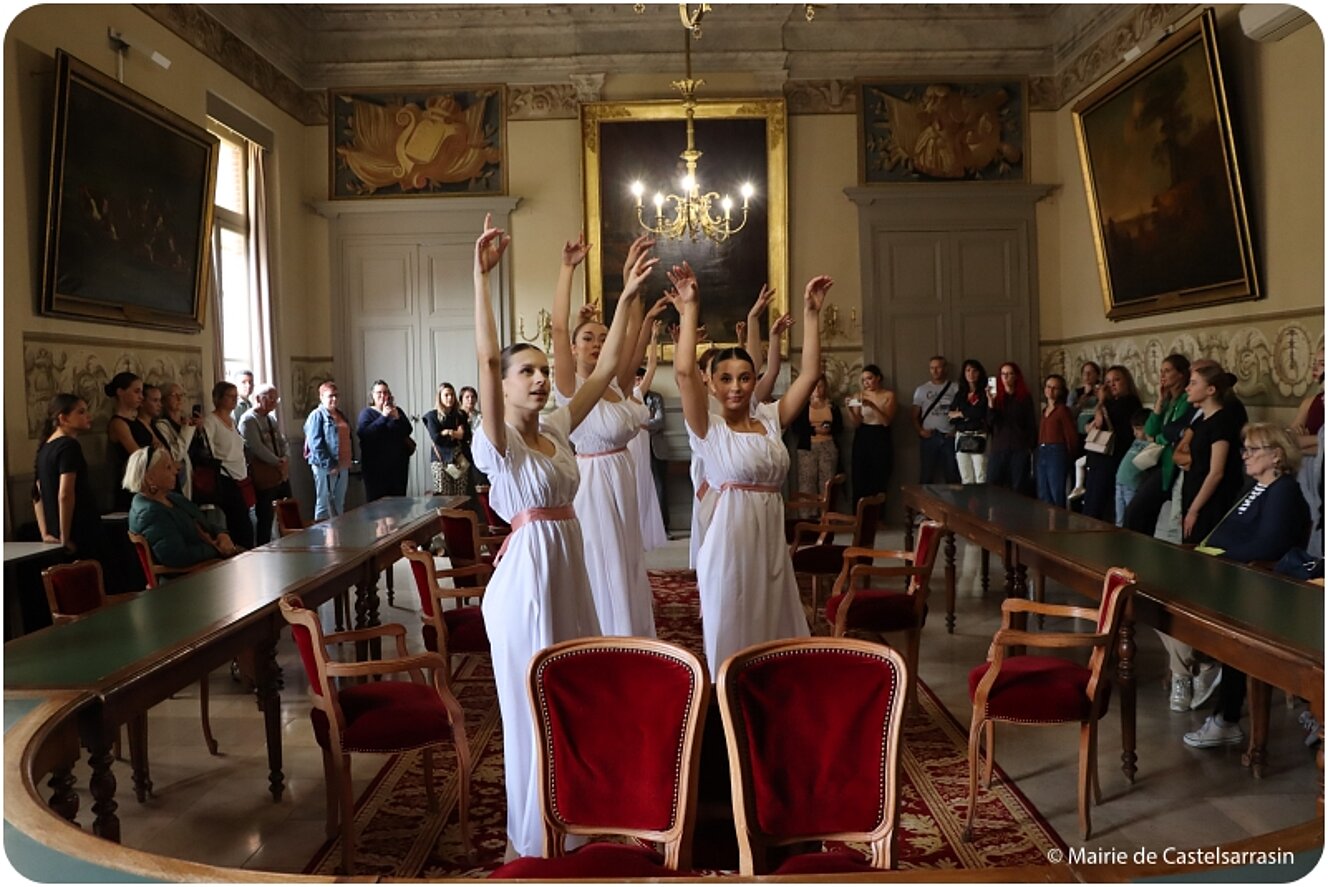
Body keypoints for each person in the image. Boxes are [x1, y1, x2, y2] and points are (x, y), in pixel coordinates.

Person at [469, 214, 643, 859]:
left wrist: (625, 299)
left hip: (569, 570)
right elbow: (487, 358)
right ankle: (539, 833)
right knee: (536, 707)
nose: (542, 379)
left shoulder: (560, 427)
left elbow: (603, 375)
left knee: (577, 695)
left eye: (545, 370)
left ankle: (578, 811)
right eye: (529, 373)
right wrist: (480, 278)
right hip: (528, 582)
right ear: (507, 384)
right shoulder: (501, 443)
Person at [674, 260, 830, 681]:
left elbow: (812, 372)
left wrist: (811, 315)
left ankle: (769, 704)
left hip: (770, 537)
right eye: (726, 379)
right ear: (712, 384)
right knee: (732, 625)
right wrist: (690, 309)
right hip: (730, 540)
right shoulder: (708, 428)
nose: (737, 387)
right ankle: (726, 710)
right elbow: (684, 371)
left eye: (745, 377)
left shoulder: (771, 419)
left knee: (773, 626)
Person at [551, 232, 657, 638]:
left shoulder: (613, 383)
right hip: (592, 484)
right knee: (603, 562)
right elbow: (559, 327)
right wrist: (567, 270)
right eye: (587, 338)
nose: (596, 343)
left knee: (627, 560)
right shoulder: (570, 386)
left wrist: (629, 280)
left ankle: (632, 634)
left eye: (600, 336)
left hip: (622, 479)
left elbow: (630, 339)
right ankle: (604, 637)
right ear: (574, 350)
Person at [1181, 424, 1310, 749]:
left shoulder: (1284, 492)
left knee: (1223, 629)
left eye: (1252, 450)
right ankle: (1205, 666)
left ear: (1276, 455)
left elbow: (1267, 546)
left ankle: (1226, 716)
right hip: (1230, 577)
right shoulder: (1253, 487)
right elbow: (1227, 531)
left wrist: (1216, 557)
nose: (1245, 456)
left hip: (1263, 589)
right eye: (1245, 449)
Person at [126, 447, 240, 568]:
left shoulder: (173, 498)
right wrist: (217, 548)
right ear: (149, 478)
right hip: (187, 578)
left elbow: (204, 523)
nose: (176, 470)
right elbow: (177, 556)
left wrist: (222, 534)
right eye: (168, 467)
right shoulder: (149, 513)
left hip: (209, 564)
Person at [1176, 361, 1245, 545]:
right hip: (1194, 492)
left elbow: (1216, 472)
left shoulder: (1221, 422)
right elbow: (1184, 452)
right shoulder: (1201, 421)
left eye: (1194, 383)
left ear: (1211, 390)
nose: (1187, 388)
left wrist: (1194, 510)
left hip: (1211, 502)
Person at [32, 394, 105, 568]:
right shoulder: (68, 446)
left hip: (56, 533)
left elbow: (37, 493)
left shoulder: (46, 448)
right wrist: (65, 537)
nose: (89, 416)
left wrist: (46, 532)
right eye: (81, 412)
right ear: (63, 418)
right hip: (78, 529)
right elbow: (65, 494)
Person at [1124, 354, 1193, 535]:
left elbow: (1174, 433)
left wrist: (1158, 439)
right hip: (1160, 463)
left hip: (1173, 465)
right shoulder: (1170, 401)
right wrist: (1160, 401)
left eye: (1168, 371)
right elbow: (1150, 429)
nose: (1162, 375)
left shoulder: (1186, 400)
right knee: (1139, 513)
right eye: (1161, 371)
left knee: (1137, 512)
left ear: (1181, 374)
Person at [1081, 366, 1143, 522]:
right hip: (1097, 458)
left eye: (1116, 380)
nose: (1111, 385)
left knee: (1099, 508)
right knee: (1089, 503)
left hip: (1111, 459)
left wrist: (1101, 400)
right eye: (1108, 381)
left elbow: (1101, 421)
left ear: (1126, 381)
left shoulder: (1129, 402)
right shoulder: (1110, 403)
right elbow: (1088, 425)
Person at [198, 381, 255, 549]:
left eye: (235, 396)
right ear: (219, 398)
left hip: (241, 476)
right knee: (240, 524)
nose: (234, 400)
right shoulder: (211, 421)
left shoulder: (231, 420)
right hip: (225, 476)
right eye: (230, 396)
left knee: (245, 521)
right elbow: (207, 447)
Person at [239, 383, 291, 545]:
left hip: (279, 473)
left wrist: (285, 458)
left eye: (276, 399)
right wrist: (278, 462)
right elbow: (257, 448)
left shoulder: (271, 419)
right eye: (270, 398)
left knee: (288, 510)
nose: (273, 402)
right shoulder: (248, 420)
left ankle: (288, 543)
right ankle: (264, 547)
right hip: (264, 476)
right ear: (257, 398)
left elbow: (282, 441)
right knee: (265, 516)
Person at [631, 339, 669, 549]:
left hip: (643, 445)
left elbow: (652, 365)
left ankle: (645, 531)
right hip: (628, 446)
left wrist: (653, 339)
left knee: (646, 486)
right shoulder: (614, 397)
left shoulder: (639, 394)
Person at [789, 376, 843, 518]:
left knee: (827, 482)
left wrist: (828, 429)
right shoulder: (802, 405)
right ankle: (807, 515)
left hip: (828, 445)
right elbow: (796, 428)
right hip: (807, 447)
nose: (817, 390)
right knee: (807, 481)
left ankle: (826, 515)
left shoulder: (832, 406)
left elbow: (840, 427)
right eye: (814, 387)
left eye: (821, 386)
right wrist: (814, 430)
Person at [846, 364, 896, 505]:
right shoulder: (859, 395)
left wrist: (873, 406)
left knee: (880, 474)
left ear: (878, 378)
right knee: (860, 474)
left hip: (881, 434)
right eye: (864, 380)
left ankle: (879, 516)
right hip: (863, 434)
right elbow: (856, 423)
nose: (866, 383)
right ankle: (859, 515)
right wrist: (849, 409)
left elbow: (886, 421)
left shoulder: (888, 395)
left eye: (869, 378)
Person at [357, 380, 414, 502]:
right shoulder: (366, 413)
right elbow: (366, 434)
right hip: (376, 470)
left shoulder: (396, 410)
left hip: (398, 468)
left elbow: (408, 430)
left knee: (398, 505)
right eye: (379, 393)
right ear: (372, 395)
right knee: (377, 508)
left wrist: (397, 418)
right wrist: (383, 417)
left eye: (385, 392)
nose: (382, 396)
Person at [304, 381, 353, 520]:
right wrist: (329, 464)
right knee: (324, 503)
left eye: (336, 396)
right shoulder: (317, 415)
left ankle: (338, 535)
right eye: (330, 396)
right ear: (321, 397)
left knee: (339, 502)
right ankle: (322, 537)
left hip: (343, 465)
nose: (334, 399)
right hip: (325, 466)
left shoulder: (340, 415)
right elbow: (315, 444)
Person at [105, 371, 153, 511]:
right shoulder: (118, 423)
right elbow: (138, 454)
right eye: (136, 392)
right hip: (132, 482)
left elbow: (158, 444)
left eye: (142, 392)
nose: (141, 397)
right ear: (120, 392)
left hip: (150, 478)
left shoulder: (139, 421)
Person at [986, 362, 1037, 493]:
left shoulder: (1024, 398)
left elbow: (1030, 423)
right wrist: (991, 405)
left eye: (1010, 374)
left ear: (1016, 376)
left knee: (1018, 486)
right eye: (1003, 374)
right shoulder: (996, 398)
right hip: (999, 447)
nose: (1006, 377)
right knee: (993, 484)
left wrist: (1031, 446)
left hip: (1019, 447)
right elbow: (990, 423)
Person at [913, 356, 959, 484]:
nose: (935, 371)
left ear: (945, 369)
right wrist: (920, 431)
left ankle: (953, 504)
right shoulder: (921, 390)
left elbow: (963, 412)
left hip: (949, 436)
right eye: (932, 368)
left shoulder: (955, 388)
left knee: (952, 475)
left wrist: (957, 430)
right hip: (930, 436)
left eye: (938, 367)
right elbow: (914, 415)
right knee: (926, 475)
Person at [1036, 374, 1078, 507]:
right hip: (1042, 450)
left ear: (1061, 391)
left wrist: (1070, 456)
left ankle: (1059, 524)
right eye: (1048, 387)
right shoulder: (1044, 411)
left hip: (1057, 452)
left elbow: (1071, 435)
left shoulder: (1062, 410)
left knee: (1057, 492)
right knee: (1043, 491)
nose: (1051, 391)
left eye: (1055, 388)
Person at [423, 382, 472, 495]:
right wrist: (456, 434)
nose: (449, 398)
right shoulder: (432, 416)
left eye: (452, 395)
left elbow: (466, 436)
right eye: (446, 395)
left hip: (459, 460)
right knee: (443, 495)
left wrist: (448, 432)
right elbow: (437, 438)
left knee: (460, 495)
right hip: (441, 460)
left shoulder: (460, 415)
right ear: (439, 397)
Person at [948, 358, 990, 484]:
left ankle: (982, 503)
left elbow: (980, 412)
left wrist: (961, 413)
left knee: (980, 476)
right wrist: (968, 415)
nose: (971, 374)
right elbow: (951, 415)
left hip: (978, 435)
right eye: (968, 370)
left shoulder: (985, 393)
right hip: (961, 436)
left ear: (979, 373)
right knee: (966, 477)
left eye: (974, 371)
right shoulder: (960, 394)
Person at [155, 382, 198, 498]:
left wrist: (199, 431)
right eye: (173, 395)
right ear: (163, 400)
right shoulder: (162, 425)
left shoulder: (187, 421)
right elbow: (175, 455)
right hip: (180, 481)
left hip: (197, 480)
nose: (179, 398)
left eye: (181, 395)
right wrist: (187, 430)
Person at [1114, 409, 1154, 526]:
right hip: (1120, 483)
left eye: (1138, 429)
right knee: (1119, 519)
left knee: (1130, 518)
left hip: (1132, 486)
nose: (1135, 433)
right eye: (1134, 429)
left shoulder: (1151, 445)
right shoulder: (1136, 441)